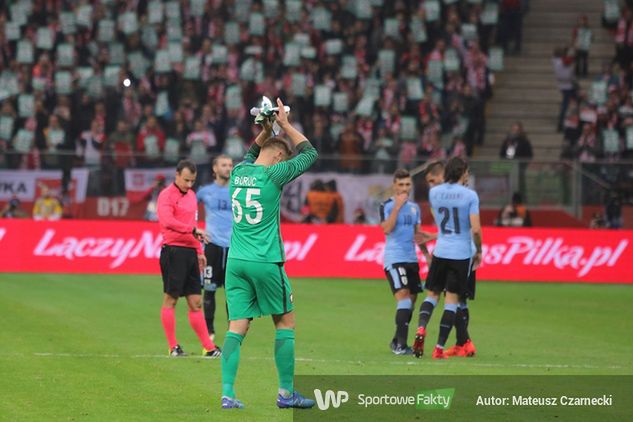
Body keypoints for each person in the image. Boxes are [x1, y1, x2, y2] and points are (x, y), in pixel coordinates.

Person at [221, 98, 318, 410]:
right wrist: (285, 125)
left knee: (237, 327)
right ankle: (286, 394)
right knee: (285, 323)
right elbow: (311, 153)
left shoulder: (238, 173)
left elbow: (252, 153)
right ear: (278, 156)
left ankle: (227, 394)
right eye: (281, 157)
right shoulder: (274, 175)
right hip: (265, 261)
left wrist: (266, 129)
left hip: (235, 262)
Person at [412, 157, 482, 359]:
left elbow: (446, 227)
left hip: (441, 251)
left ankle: (421, 329)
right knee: (453, 301)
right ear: (462, 172)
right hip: (461, 253)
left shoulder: (434, 193)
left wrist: (433, 236)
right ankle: (439, 348)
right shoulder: (470, 196)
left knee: (432, 295)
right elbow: (475, 230)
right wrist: (479, 251)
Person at [156, 159, 222, 358]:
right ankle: (172, 346)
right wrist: (192, 230)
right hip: (173, 251)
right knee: (171, 299)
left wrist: (199, 251)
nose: (189, 185)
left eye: (192, 181)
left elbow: (192, 226)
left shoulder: (192, 196)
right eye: (186, 180)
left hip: (190, 253)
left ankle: (208, 348)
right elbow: (168, 221)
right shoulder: (166, 196)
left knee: (195, 302)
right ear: (177, 175)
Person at [380, 169, 431, 355]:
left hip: (411, 259)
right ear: (394, 185)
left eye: (407, 184)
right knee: (403, 295)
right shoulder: (386, 205)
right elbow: (386, 229)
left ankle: (396, 340)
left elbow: (417, 234)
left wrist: (426, 254)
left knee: (411, 300)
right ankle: (401, 345)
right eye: (400, 184)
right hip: (394, 258)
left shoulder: (415, 208)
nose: (404, 188)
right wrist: (396, 208)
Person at [197, 155, 234, 343]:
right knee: (209, 289)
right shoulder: (205, 192)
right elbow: (188, 209)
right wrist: (196, 229)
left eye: (230, 165)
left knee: (233, 292)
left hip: (234, 248)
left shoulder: (238, 191)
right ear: (214, 168)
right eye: (224, 165)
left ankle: (233, 332)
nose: (228, 168)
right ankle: (209, 331)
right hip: (212, 247)